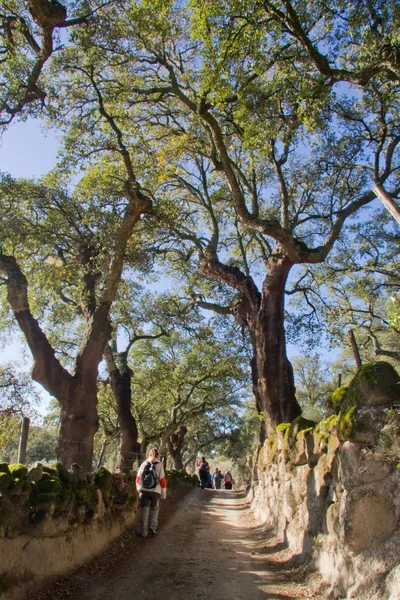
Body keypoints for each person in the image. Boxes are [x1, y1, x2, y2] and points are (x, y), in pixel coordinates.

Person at [136, 447, 167, 537]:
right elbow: (162, 480)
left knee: (144, 511)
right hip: (155, 491)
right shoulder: (159, 465)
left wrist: (138, 488)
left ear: (148, 454)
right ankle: (152, 528)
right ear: (158, 455)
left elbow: (138, 477)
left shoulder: (144, 463)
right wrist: (163, 493)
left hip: (143, 490)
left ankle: (143, 532)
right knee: (154, 509)